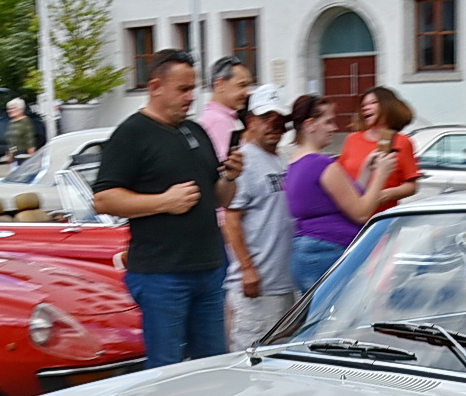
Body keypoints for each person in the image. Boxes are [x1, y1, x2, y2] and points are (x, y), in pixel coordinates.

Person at [93, 49, 243, 367]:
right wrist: (164, 202)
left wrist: (230, 176)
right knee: (166, 367)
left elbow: (219, 199)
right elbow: (104, 199)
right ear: (156, 86)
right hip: (162, 275)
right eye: (183, 89)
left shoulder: (195, 131)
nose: (191, 98)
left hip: (208, 268)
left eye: (193, 88)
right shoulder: (132, 134)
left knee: (213, 365)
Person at [285, 94, 394, 288]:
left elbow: (342, 201)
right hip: (327, 253)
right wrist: (382, 175)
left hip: (309, 253)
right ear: (310, 125)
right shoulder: (321, 164)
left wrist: (366, 172)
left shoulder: (295, 163)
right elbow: (361, 212)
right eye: (328, 122)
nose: (334, 128)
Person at [224, 85, 297, 350]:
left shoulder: (281, 159)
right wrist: (247, 268)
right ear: (251, 121)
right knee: (252, 362)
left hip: (285, 283)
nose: (273, 126)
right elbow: (230, 220)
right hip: (257, 288)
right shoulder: (243, 160)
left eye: (279, 120)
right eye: (266, 118)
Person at [336, 87, 420, 213]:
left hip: (382, 219)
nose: (365, 107)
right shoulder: (352, 139)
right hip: (353, 216)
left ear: (387, 106)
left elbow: (411, 186)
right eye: (363, 105)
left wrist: (387, 194)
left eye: (373, 103)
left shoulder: (402, 142)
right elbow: (339, 177)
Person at [199, 56, 253, 161]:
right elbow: (224, 167)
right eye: (241, 85)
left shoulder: (226, 118)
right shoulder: (219, 121)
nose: (246, 93)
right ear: (219, 84)